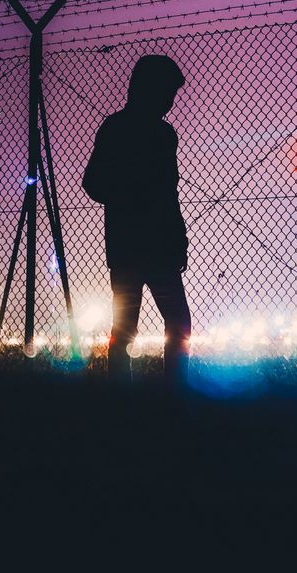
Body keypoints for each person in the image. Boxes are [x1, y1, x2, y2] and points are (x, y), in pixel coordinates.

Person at [82, 54, 191, 385]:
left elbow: (94, 183)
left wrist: (126, 196)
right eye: (168, 92)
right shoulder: (157, 134)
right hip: (150, 244)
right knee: (175, 322)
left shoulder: (121, 128)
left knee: (129, 325)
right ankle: (173, 393)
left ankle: (122, 397)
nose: (171, 101)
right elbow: (164, 193)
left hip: (129, 243)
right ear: (151, 89)